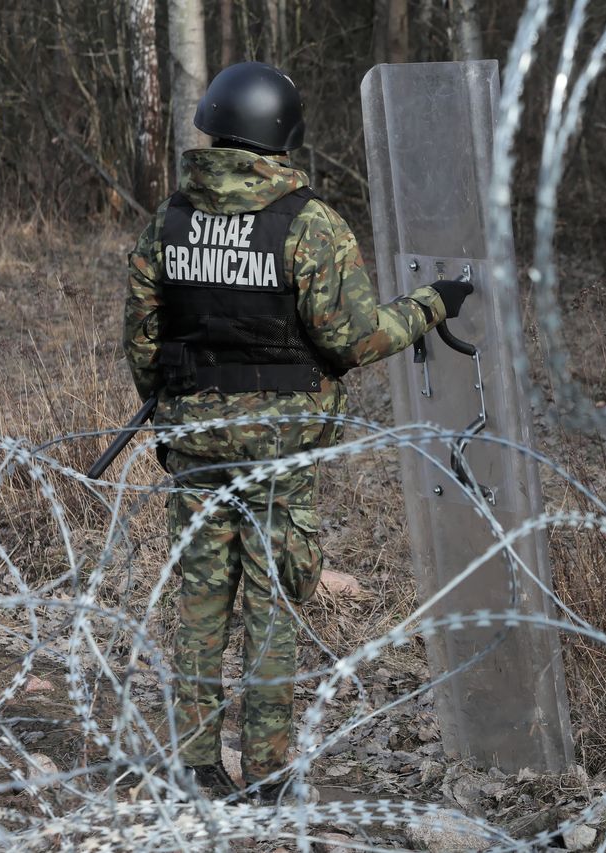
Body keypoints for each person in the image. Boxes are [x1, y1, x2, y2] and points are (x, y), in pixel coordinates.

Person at [123, 61, 472, 804]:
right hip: (278, 449)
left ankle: (195, 763)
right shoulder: (307, 223)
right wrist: (430, 305)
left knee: (202, 603)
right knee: (274, 606)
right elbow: (354, 339)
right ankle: (271, 771)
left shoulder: (170, 219)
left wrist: (176, 414)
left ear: (215, 126)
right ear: (282, 133)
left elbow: (142, 339)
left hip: (194, 442)